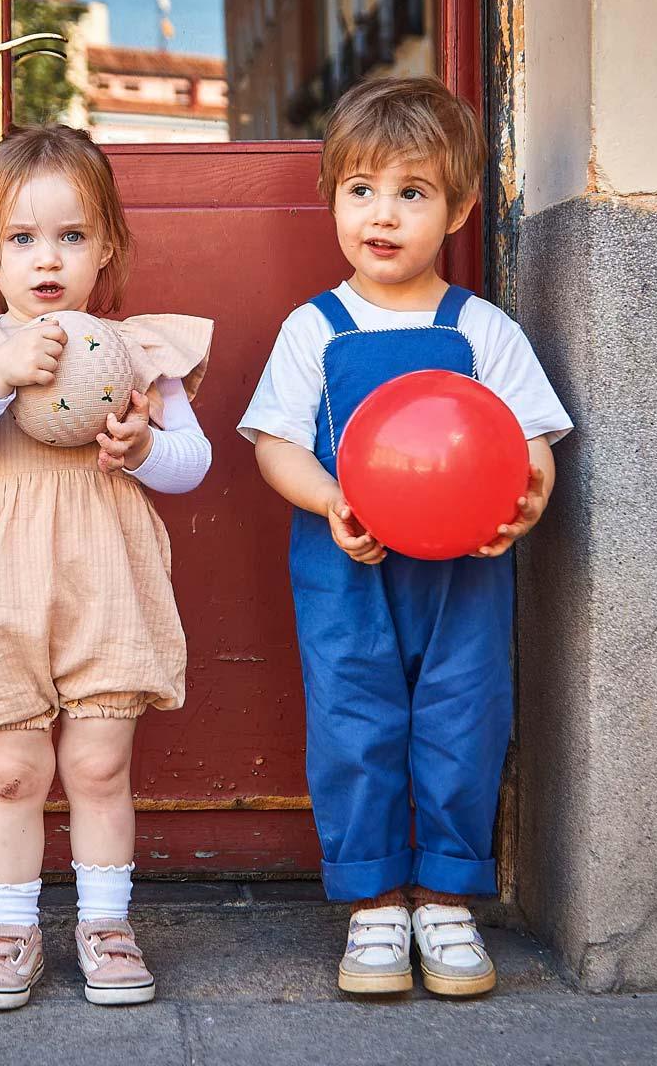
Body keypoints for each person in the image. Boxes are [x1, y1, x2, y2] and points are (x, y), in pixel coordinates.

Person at [239, 76, 572, 997]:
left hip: (466, 575)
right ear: (333, 197)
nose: (382, 215)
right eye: (361, 189)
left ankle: (447, 899)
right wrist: (331, 499)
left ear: (461, 209)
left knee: (464, 718)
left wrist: (526, 505)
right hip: (347, 569)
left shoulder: (481, 331)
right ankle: (375, 904)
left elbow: (532, 443)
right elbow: (273, 445)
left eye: (413, 192)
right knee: (355, 723)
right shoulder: (316, 329)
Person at [0, 125, 213, 1010]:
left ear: (106, 246)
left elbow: (194, 465)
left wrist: (142, 448)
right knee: (15, 769)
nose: (47, 259)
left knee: (100, 764)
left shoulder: (135, 352)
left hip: (106, 578)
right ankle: (11, 929)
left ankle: (105, 923)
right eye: (22, 239)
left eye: (70, 236)